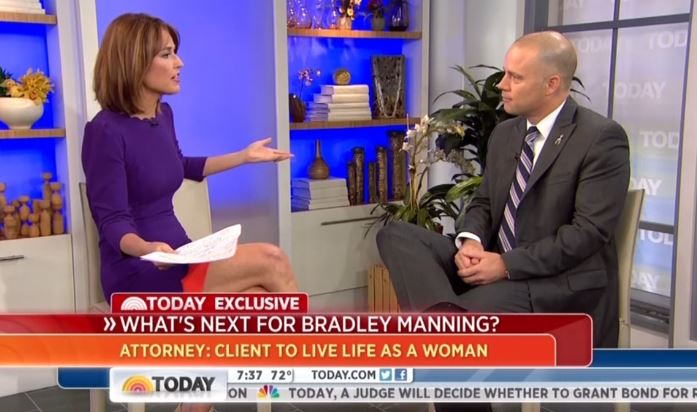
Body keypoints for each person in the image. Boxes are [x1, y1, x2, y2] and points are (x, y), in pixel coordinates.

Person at [378, 31, 630, 412]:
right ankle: (445, 323)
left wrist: (506, 265)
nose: (502, 85)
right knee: (396, 234)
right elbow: (485, 202)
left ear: (552, 84)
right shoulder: (505, 133)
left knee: (455, 336)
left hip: (551, 286)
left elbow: (586, 235)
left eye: (515, 77)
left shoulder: (600, 138)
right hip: (493, 263)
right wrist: (471, 241)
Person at [82, 13, 298, 412]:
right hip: (139, 270)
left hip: (182, 255)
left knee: (256, 300)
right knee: (272, 260)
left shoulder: (163, 116)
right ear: (134, 62)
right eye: (167, 54)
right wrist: (148, 248)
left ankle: (196, 406)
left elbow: (181, 166)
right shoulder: (104, 132)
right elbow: (111, 221)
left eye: (175, 52)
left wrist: (244, 156)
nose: (179, 62)